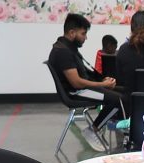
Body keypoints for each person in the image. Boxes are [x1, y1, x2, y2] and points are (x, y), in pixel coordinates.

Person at [47, 13, 123, 150]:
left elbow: (85, 73)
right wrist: (103, 84)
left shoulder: (68, 48)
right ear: (72, 33)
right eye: (83, 34)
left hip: (81, 89)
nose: (85, 38)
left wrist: (102, 79)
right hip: (76, 92)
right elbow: (77, 83)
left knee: (122, 91)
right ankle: (93, 130)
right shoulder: (62, 52)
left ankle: (99, 129)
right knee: (118, 100)